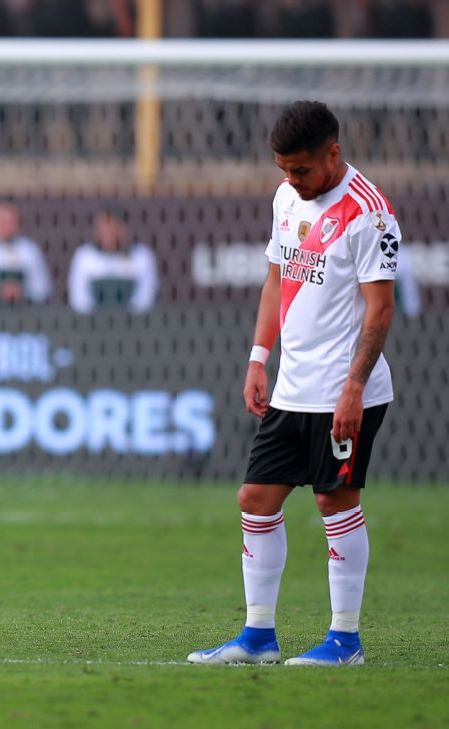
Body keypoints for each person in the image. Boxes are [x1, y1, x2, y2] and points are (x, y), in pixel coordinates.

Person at [188, 101, 398, 667]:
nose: (291, 181)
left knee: (334, 500)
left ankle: (345, 640)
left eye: (300, 170)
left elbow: (379, 311)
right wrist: (259, 358)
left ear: (333, 153)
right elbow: (277, 278)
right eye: (283, 170)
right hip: (291, 387)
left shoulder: (370, 214)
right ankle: (258, 637)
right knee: (255, 499)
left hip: (345, 392)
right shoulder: (287, 198)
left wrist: (353, 387)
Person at [66, 208, 158, 314]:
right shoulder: (85, 257)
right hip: (91, 324)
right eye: (103, 229)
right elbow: (79, 299)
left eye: (112, 229)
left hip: (133, 323)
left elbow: (145, 299)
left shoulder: (141, 256)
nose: (107, 234)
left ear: (123, 229)